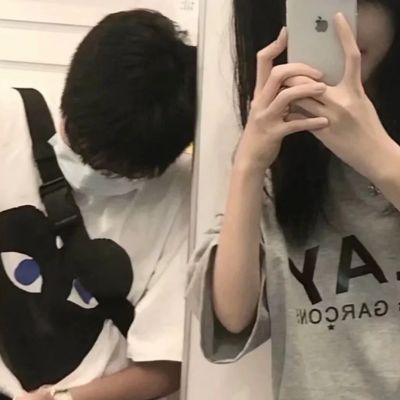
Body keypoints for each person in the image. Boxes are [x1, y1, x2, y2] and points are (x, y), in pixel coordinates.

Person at [188, 0, 400, 399]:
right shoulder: (282, 159)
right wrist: (248, 165)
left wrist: (378, 157)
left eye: (360, 1)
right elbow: (232, 316)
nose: (340, 22)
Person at [0, 8, 196, 400]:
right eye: (78, 146)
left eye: (115, 171)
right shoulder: (9, 119)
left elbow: (165, 365)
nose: (90, 171)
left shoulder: (185, 195)